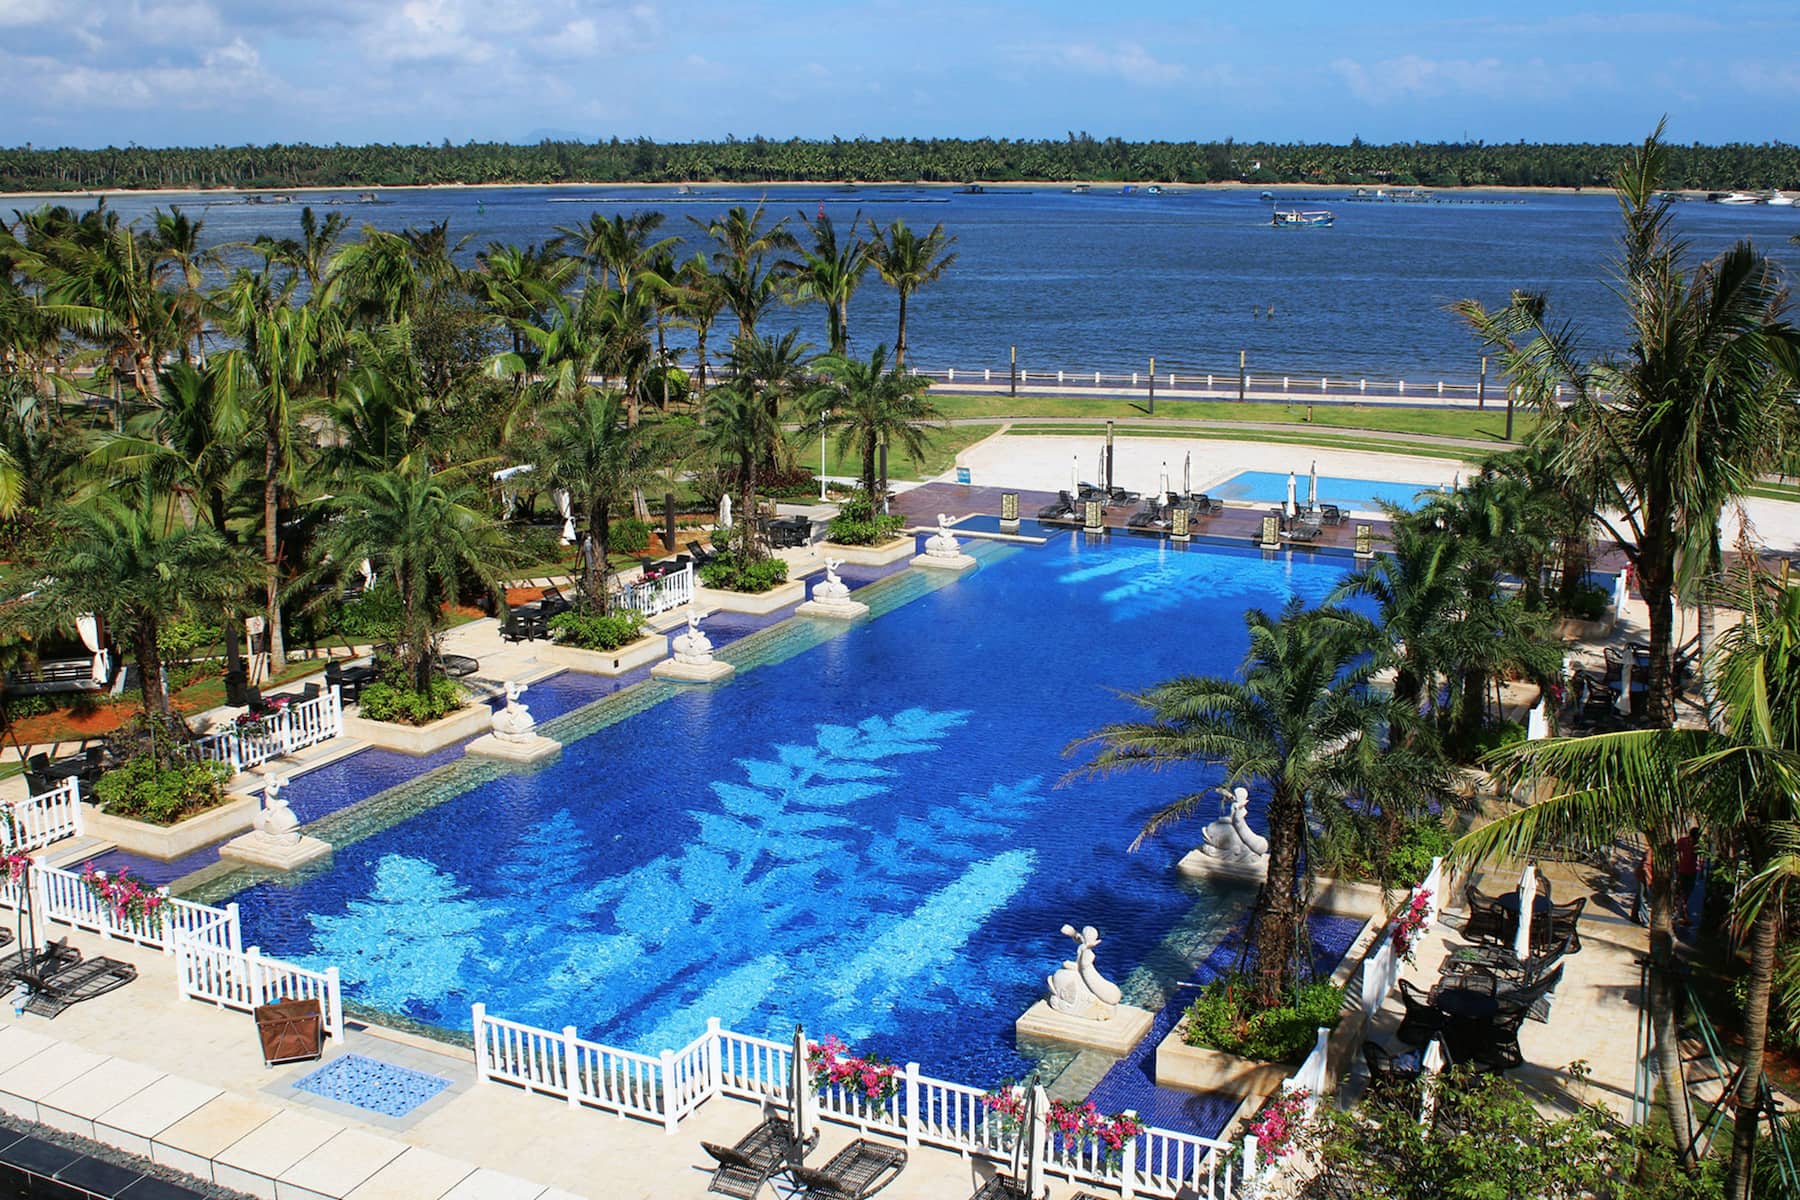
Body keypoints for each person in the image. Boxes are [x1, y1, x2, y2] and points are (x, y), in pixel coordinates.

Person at [1675, 827, 1701, 929]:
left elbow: (1676, 850)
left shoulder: (1684, 841)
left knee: (1684, 893)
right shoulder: (1694, 844)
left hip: (1686, 870)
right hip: (1687, 871)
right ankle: (1682, 915)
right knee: (1685, 894)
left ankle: (1682, 914)